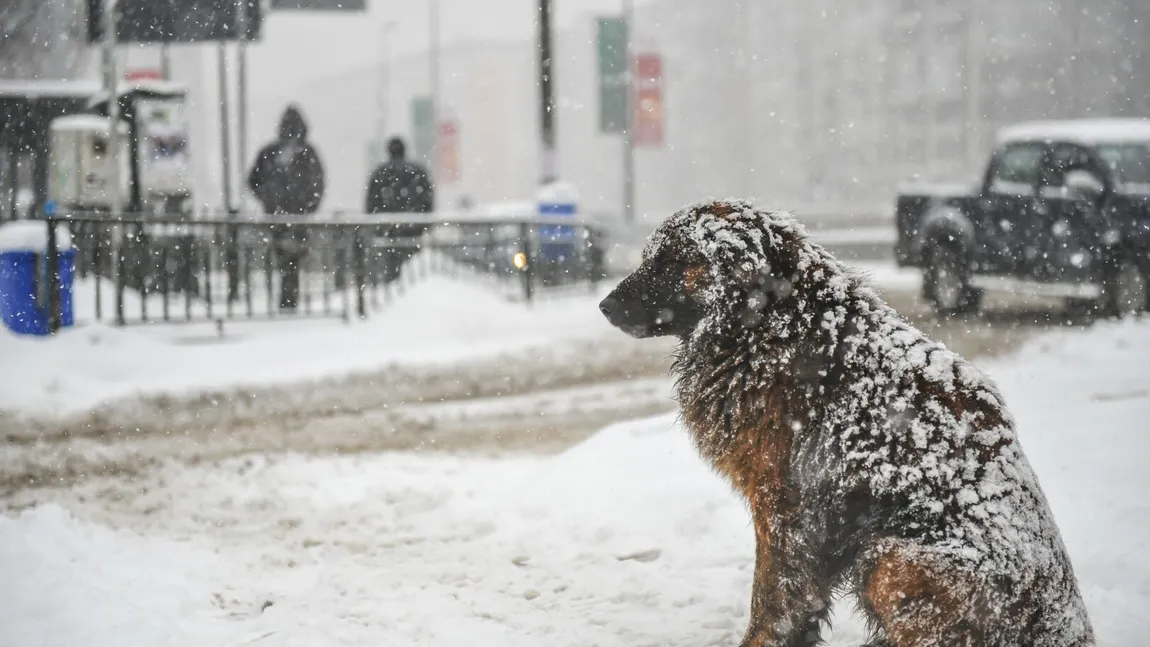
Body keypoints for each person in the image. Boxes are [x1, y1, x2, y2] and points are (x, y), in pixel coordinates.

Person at [247, 104, 325, 311]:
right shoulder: (308, 153)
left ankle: (286, 296)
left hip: (276, 215)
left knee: (283, 255)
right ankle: (290, 297)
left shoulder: (269, 152)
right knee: (294, 257)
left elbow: (253, 180)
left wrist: (268, 199)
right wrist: (308, 206)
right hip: (297, 215)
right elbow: (318, 183)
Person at [364, 137, 434, 284]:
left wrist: (378, 224)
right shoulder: (417, 171)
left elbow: (371, 204)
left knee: (390, 270)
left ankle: (394, 289)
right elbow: (428, 201)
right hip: (413, 230)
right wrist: (424, 224)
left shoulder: (380, 173)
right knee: (414, 272)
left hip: (388, 231)